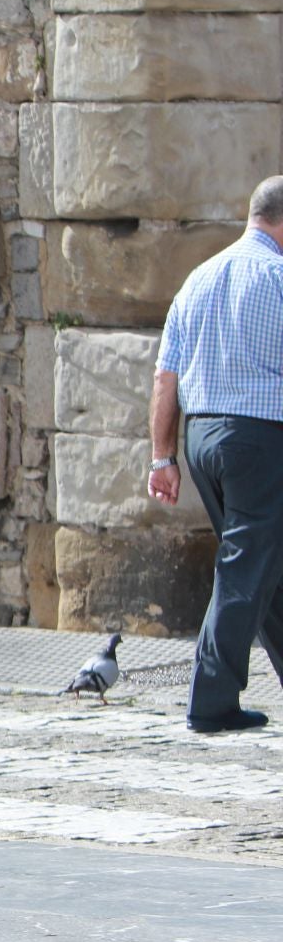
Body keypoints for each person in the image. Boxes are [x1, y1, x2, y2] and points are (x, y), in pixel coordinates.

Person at [149, 174, 283, 734]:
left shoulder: (199, 278)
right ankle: (210, 701)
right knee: (246, 566)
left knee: (265, 563)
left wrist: (162, 457)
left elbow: (165, 377)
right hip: (258, 437)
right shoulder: (277, 276)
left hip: (201, 437)